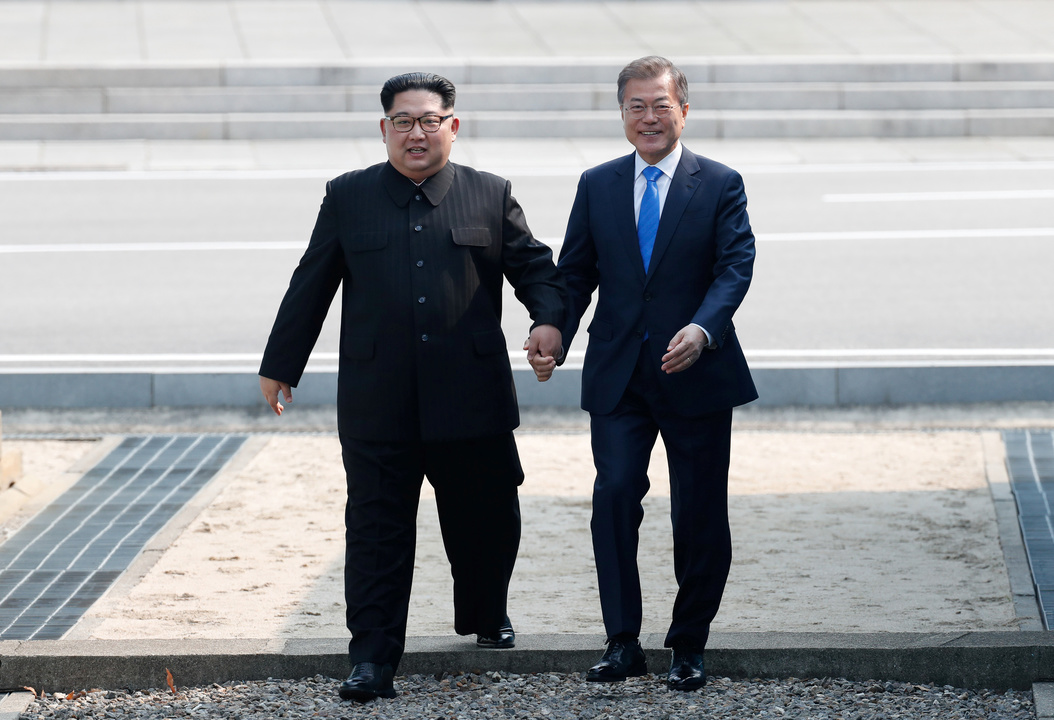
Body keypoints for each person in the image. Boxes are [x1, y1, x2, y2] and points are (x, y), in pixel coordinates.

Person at [259, 72, 564, 703]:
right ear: (384, 129)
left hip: (471, 396)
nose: (416, 133)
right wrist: (281, 362)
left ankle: (485, 612)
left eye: (429, 120)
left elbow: (535, 267)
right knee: (376, 531)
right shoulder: (348, 196)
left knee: (486, 520)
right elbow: (311, 282)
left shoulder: (490, 193)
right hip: (378, 400)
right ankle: (372, 658)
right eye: (403, 121)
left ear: (454, 125)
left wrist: (547, 321)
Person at [540, 56, 757, 691]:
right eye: (636, 106)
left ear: (683, 111)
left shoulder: (719, 182)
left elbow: (735, 267)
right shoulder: (597, 183)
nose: (649, 117)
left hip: (696, 370)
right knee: (612, 496)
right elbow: (575, 272)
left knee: (699, 511)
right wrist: (553, 327)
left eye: (661, 105)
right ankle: (621, 641)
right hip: (619, 374)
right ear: (622, 114)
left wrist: (703, 328)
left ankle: (688, 643)